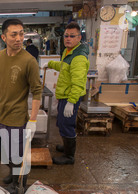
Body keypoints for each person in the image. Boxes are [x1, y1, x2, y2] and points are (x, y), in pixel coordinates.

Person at [0, 19, 42, 194]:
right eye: (14, 34)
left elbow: (37, 92)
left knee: (16, 154)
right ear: (4, 37)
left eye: (21, 33)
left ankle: (18, 183)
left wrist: (33, 120)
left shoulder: (29, 61)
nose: (19, 38)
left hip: (16, 118)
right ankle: (15, 171)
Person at [44, 22, 89, 165]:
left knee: (67, 124)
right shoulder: (69, 51)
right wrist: (50, 64)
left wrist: (71, 101)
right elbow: (63, 67)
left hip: (70, 97)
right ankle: (66, 146)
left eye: (72, 36)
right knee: (62, 123)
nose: (68, 38)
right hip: (64, 95)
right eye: (66, 36)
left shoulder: (79, 57)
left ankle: (69, 156)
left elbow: (79, 82)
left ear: (79, 37)